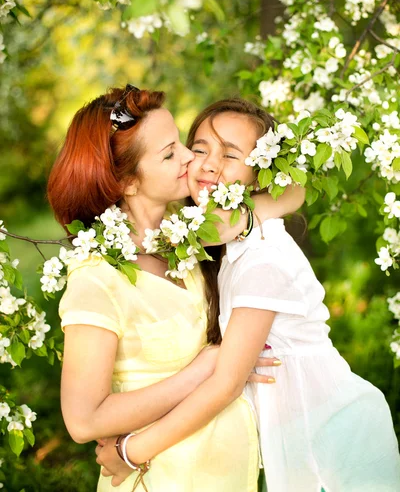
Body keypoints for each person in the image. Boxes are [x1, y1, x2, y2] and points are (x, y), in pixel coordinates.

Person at [97, 98, 400, 492]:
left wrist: (130, 451)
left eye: (232, 154)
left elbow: (225, 383)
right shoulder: (209, 240)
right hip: (299, 450)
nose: (209, 164)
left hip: (333, 450)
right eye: (201, 148)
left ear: (259, 175)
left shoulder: (262, 257)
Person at [48, 86, 302, 492]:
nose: (190, 158)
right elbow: (82, 421)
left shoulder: (188, 236)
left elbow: (293, 191)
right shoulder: (98, 279)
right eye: (170, 154)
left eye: (181, 142)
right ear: (128, 182)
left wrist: (244, 220)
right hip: (161, 480)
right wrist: (208, 368)